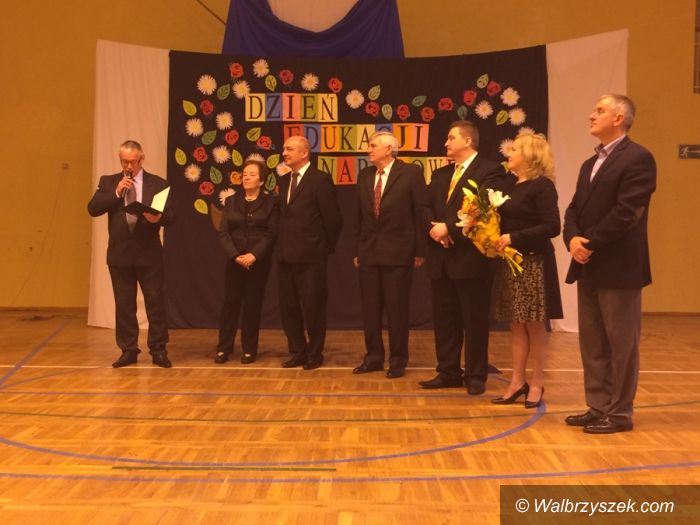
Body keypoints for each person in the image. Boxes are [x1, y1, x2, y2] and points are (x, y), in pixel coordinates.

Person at [563, 94, 656, 434]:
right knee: (593, 343)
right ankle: (598, 406)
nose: (592, 115)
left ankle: (619, 414)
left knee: (621, 345)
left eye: (599, 110)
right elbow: (574, 209)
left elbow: (627, 212)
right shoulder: (590, 163)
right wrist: (572, 238)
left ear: (619, 118)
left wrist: (589, 243)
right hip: (588, 264)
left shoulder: (638, 158)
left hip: (619, 267)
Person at [420, 121, 511, 395]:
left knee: (474, 320)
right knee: (445, 319)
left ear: (468, 141)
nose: (445, 143)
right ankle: (448, 371)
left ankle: (475, 374)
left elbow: (484, 210)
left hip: (471, 259)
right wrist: (434, 229)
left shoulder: (489, 171)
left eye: (451, 138)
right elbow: (424, 205)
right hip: (441, 257)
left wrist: (448, 229)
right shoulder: (440, 174)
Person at [491, 133, 563, 408]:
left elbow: (552, 226)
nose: (508, 154)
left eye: (515, 150)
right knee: (516, 325)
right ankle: (516, 381)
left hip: (533, 262)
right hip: (511, 262)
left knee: (534, 325)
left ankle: (537, 383)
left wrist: (513, 237)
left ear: (530, 156)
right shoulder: (511, 185)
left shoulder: (542, 186)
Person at [87, 140, 174, 368]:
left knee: (155, 303)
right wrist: (117, 192)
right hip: (120, 254)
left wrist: (158, 218)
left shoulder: (158, 183)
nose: (128, 166)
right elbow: (93, 208)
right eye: (124, 161)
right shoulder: (109, 182)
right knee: (124, 305)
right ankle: (128, 350)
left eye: (133, 162)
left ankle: (158, 349)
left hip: (149, 254)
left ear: (141, 159)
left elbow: (171, 215)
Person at [351, 131, 430, 379]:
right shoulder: (365, 175)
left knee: (397, 310)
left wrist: (420, 250)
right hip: (369, 252)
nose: (369, 149)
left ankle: (398, 360)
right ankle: (373, 357)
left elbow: (420, 211)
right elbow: (358, 215)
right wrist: (357, 250)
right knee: (370, 310)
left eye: (373, 145)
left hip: (399, 252)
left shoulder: (410, 173)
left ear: (389, 149)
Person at [276, 136, 342, 370]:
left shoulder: (320, 179)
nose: (284, 153)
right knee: (288, 308)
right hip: (285, 255)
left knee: (313, 308)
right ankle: (297, 351)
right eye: (284, 149)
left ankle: (314, 353)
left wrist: (323, 247)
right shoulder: (284, 180)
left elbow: (333, 219)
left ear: (304, 153)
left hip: (312, 256)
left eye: (289, 149)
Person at [216, 159, 279, 364]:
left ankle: (249, 349)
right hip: (234, 260)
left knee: (252, 305)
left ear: (261, 181)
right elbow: (224, 232)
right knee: (230, 305)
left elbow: (271, 233)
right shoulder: (231, 201)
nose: (246, 177)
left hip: (258, 261)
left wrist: (254, 255)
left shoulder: (270, 203)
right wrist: (235, 255)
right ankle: (224, 348)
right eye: (244, 174)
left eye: (252, 174)